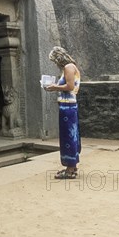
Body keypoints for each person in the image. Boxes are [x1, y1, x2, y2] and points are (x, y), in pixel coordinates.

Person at [45, 46, 81, 179]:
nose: (55, 64)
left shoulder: (68, 68)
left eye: (55, 61)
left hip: (68, 107)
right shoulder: (71, 67)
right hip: (68, 106)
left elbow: (70, 86)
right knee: (70, 136)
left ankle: (70, 169)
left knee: (68, 137)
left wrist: (55, 87)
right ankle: (71, 166)